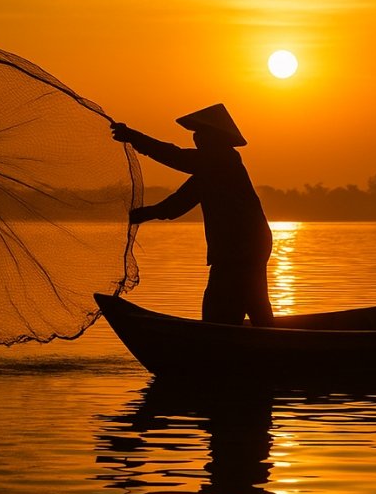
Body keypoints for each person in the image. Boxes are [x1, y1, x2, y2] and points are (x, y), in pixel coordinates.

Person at [111, 103, 275, 327]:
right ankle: (269, 339)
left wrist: (133, 137)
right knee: (251, 305)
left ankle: (260, 341)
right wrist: (148, 213)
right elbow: (179, 203)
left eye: (201, 133)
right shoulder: (212, 168)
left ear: (216, 137)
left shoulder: (222, 160)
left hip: (240, 248)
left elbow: (175, 156)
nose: (197, 138)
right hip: (243, 247)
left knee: (222, 311)